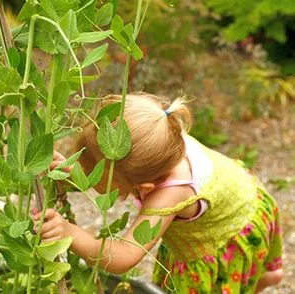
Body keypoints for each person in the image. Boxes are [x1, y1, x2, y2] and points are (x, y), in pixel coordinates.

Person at [32, 93, 284, 293]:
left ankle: (254, 280)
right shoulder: (162, 135)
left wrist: (68, 232)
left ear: (145, 188)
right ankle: (263, 275)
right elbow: (116, 169)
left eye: (96, 172)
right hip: (247, 196)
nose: (91, 175)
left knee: (222, 281)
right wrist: (73, 172)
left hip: (223, 232)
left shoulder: (170, 195)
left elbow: (124, 257)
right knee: (255, 270)